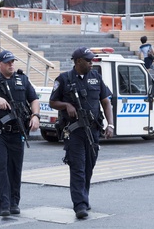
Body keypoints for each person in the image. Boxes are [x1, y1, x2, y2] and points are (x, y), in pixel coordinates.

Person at [49, 47, 114, 219]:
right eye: (89, 60)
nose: (92, 63)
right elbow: (53, 102)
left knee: (89, 166)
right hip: (74, 131)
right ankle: (79, 205)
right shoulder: (64, 79)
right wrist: (66, 105)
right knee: (77, 167)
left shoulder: (96, 78)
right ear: (78, 62)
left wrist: (111, 125)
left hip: (93, 131)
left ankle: (83, 197)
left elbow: (106, 102)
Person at [0, 50, 40, 217]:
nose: (11, 64)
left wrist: (35, 115)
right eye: (7, 62)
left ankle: (14, 202)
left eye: (13, 61)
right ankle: (4, 204)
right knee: (1, 168)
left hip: (17, 132)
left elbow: (34, 99)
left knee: (15, 168)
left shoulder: (22, 79)